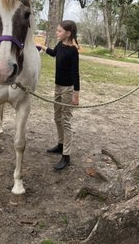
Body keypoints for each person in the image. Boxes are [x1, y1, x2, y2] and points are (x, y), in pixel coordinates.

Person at [38, 20, 80, 170]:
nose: (57, 33)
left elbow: (76, 73)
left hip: (68, 89)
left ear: (68, 33)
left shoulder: (73, 51)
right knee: (57, 117)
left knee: (66, 120)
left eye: (59, 31)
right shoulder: (60, 45)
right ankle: (61, 145)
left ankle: (66, 156)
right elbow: (54, 53)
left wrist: (76, 94)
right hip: (57, 87)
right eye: (57, 31)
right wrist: (42, 47)